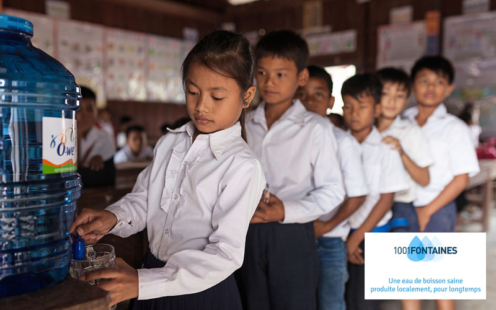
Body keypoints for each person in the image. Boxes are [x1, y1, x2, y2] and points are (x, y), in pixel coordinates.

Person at [70, 30, 265, 310]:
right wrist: (112, 217)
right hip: (149, 276)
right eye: (192, 91)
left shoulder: (242, 166)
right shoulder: (170, 142)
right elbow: (146, 199)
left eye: (217, 97)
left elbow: (224, 254)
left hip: (200, 292)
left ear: (246, 97)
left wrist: (143, 282)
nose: (201, 106)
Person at [235, 30, 345, 310]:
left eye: (281, 74)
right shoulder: (243, 122)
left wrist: (286, 210)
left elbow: (333, 191)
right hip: (245, 231)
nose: (269, 82)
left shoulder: (315, 128)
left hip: (292, 233)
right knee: (253, 302)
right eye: (261, 73)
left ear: (302, 78)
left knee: (294, 303)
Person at [403, 55, 480, 310]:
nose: (430, 87)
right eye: (424, 80)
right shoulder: (401, 121)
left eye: (438, 82)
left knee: (440, 281)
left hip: (438, 209)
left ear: (448, 89)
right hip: (403, 208)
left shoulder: (454, 128)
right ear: (413, 86)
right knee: (406, 280)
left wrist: (428, 210)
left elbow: (461, 180)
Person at [296, 65, 368, 310]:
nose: (309, 102)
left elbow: (358, 195)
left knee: (330, 304)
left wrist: (326, 225)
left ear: (330, 101)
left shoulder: (343, 141)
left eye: (318, 95)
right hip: (293, 237)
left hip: (330, 241)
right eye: (302, 95)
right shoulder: (287, 140)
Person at [340, 74, 409, 310]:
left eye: (362, 106)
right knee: (340, 298)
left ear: (377, 109)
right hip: (340, 233)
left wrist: (356, 238)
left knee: (364, 303)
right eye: (348, 106)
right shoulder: (336, 143)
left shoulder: (385, 148)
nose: (354, 113)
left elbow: (386, 199)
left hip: (373, 236)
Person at [376, 67, 434, 235]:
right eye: (385, 93)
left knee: (401, 259)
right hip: (368, 206)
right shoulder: (364, 131)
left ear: (407, 99)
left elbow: (424, 179)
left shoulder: (411, 132)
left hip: (400, 207)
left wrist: (401, 152)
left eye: (399, 96)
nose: (392, 101)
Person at [77, 86, 116, 187]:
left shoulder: (104, 137)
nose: (83, 115)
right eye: (78, 110)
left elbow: (108, 178)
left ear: (96, 112)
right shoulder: (59, 137)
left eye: (89, 109)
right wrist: (77, 133)